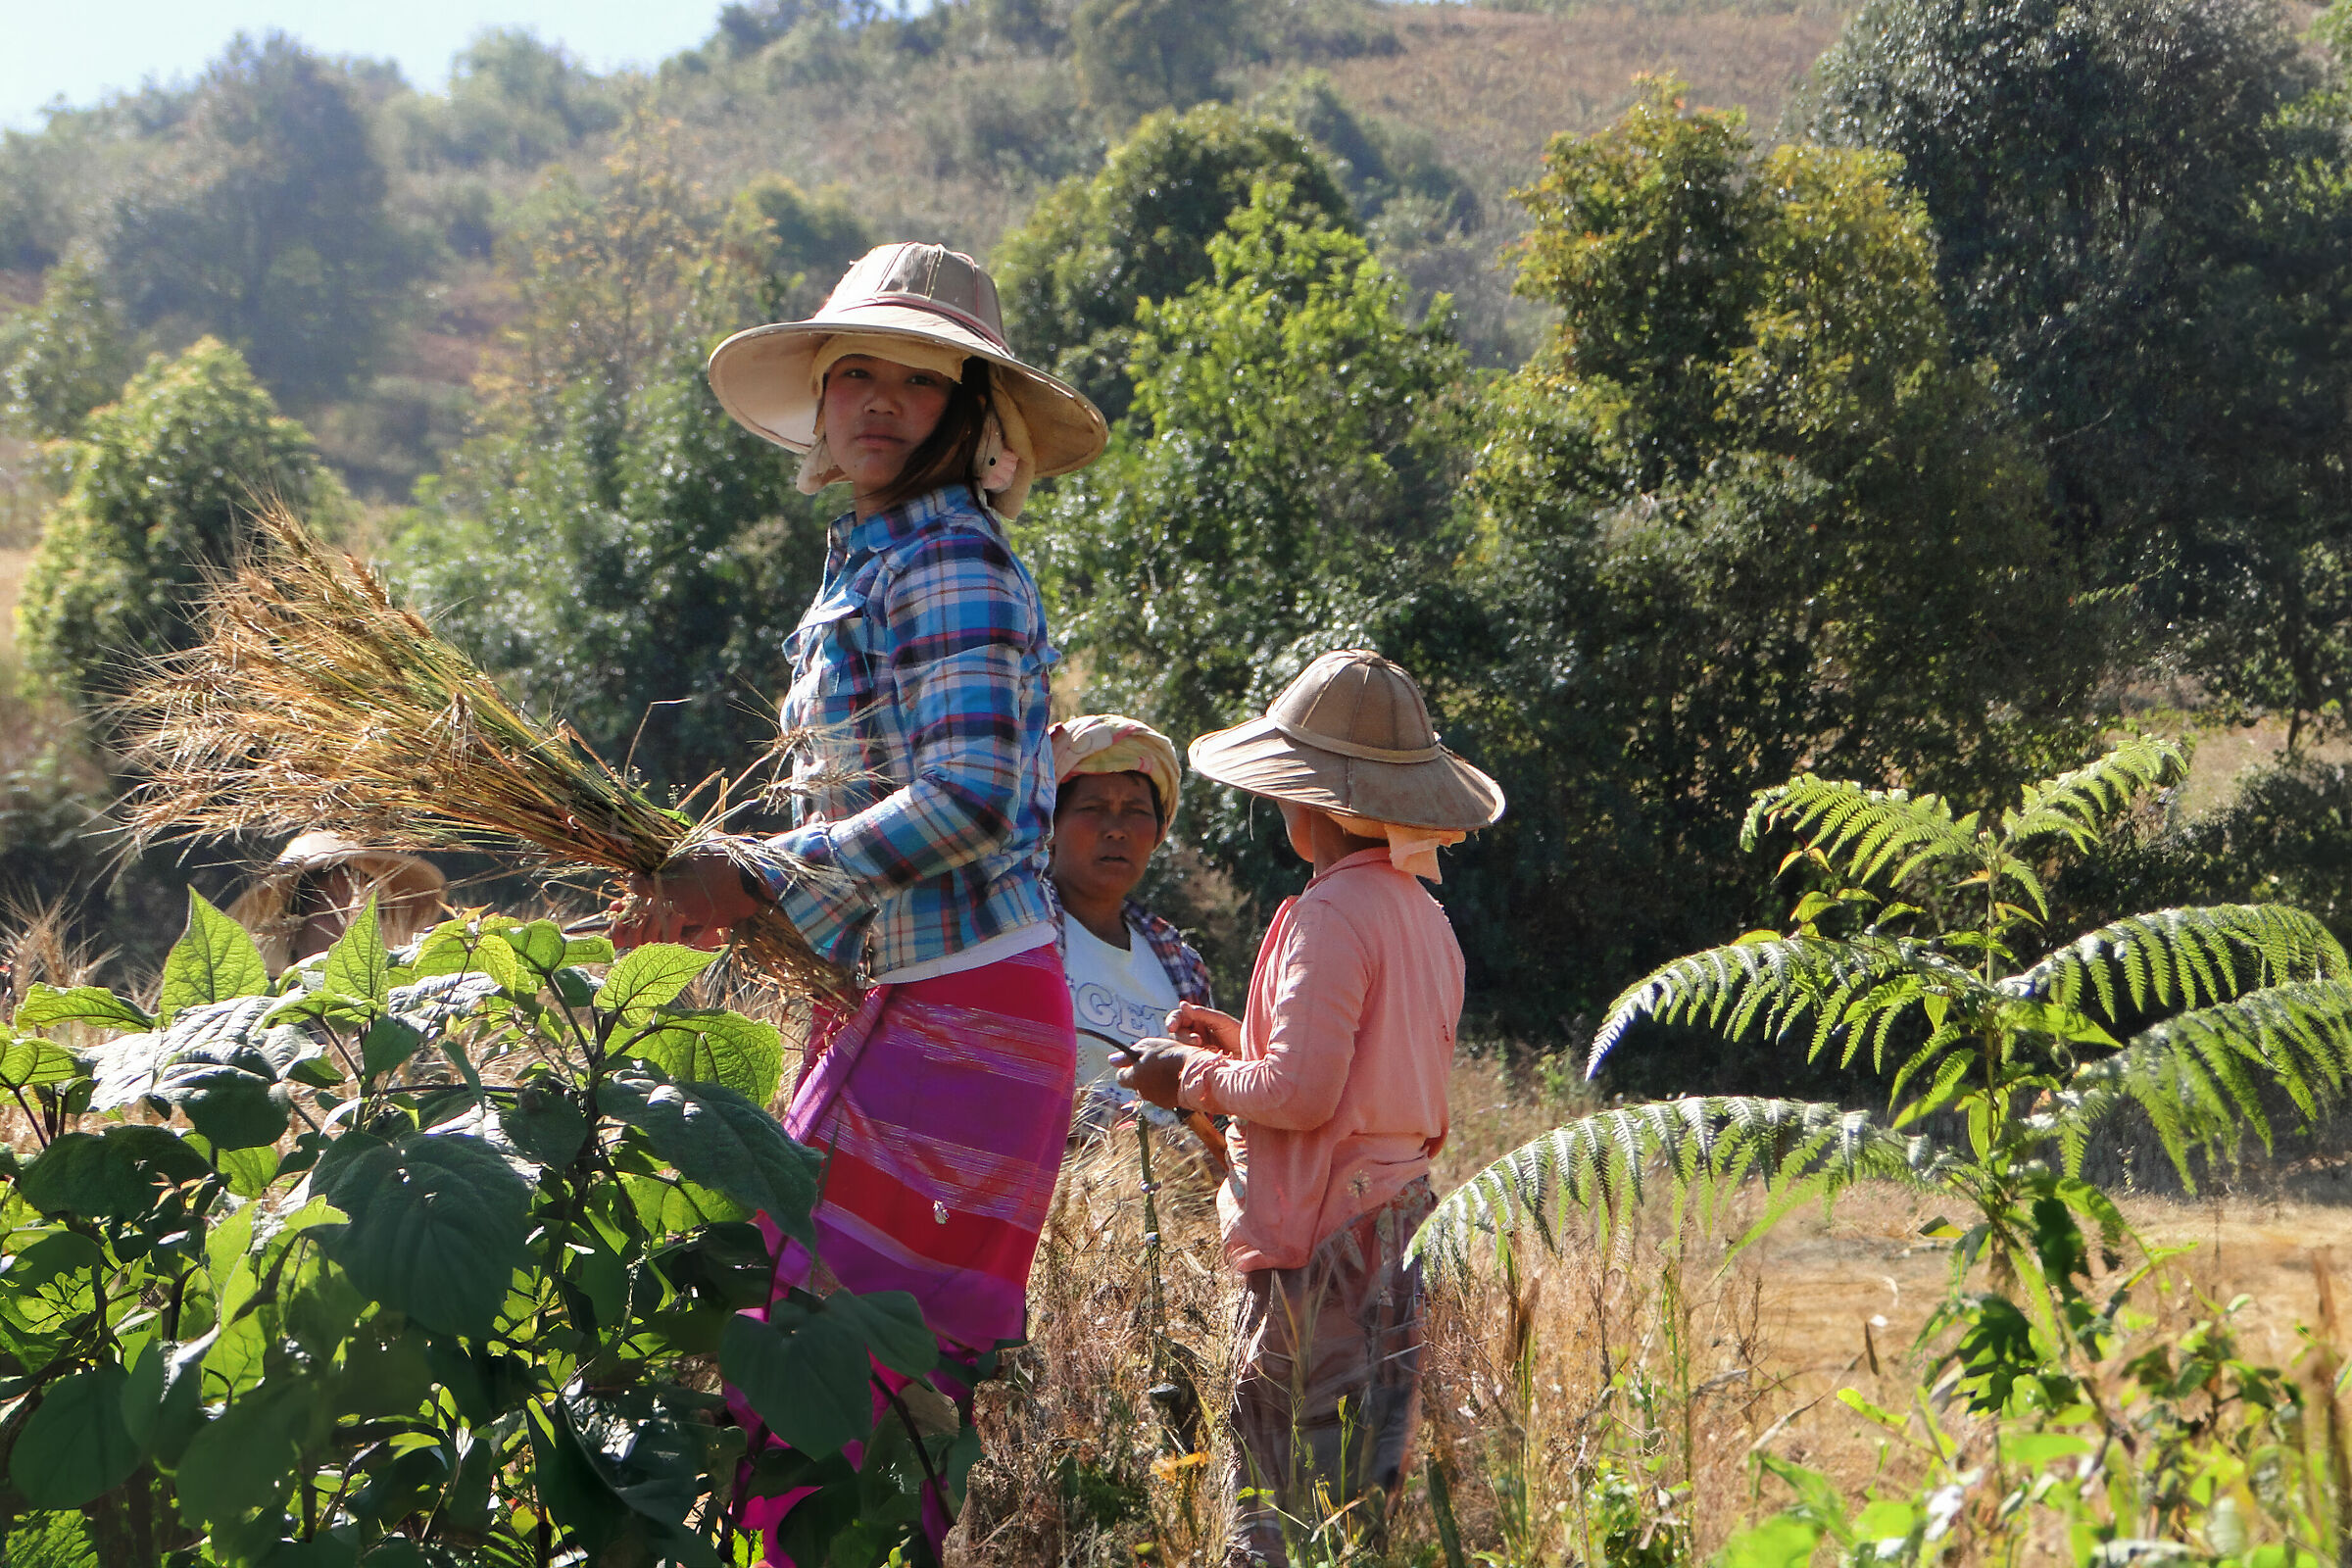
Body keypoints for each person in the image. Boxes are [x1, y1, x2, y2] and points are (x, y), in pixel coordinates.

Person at [607, 241, 1108, 1563]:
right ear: (823, 402)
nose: (882, 400)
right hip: (905, 1005)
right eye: (855, 373)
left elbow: (976, 799)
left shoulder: (949, 557)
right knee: (822, 1377)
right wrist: (725, 886)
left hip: (960, 1015)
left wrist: (758, 872)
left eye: (922, 380)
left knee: (835, 1382)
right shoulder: (873, 560)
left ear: (972, 415)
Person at [1117, 650, 1504, 1567]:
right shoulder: (1422, 916)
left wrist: (1188, 1076)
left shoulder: (1328, 915)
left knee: (1279, 1496)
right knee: (1358, 1502)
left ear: (1312, 803)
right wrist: (1240, 1047)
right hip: (1398, 1230)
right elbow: (1363, 1080)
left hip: (1321, 1251)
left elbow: (1298, 1094)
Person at [1047, 714, 1227, 1163]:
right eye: (1092, 808)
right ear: (1050, 825)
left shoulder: (1180, 964)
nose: (1116, 828)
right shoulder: (1023, 935)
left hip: (1167, 1197)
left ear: (1158, 831)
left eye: (1136, 811)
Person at [225, 833, 447, 975]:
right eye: (332, 910)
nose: (349, 925)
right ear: (294, 927)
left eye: (366, 912)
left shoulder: (412, 1009)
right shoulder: (276, 1020)